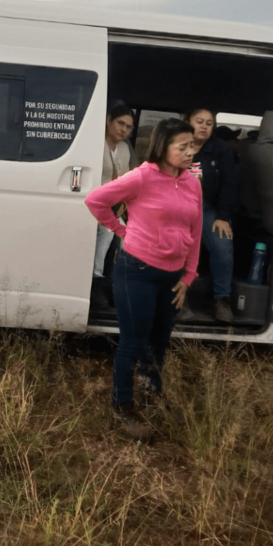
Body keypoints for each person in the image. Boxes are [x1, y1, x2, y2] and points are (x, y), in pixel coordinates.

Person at [84, 118, 203, 442]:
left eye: (192, 145)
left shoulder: (193, 182)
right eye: (183, 146)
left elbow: (196, 229)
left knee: (159, 341)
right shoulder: (142, 177)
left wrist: (189, 275)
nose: (190, 151)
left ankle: (152, 396)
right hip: (137, 272)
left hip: (173, 277)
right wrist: (122, 231)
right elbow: (95, 201)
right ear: (163, 147)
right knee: (133, 342)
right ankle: (122, 407)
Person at [185, 107, 238, 323]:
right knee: (177, 245)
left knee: (222, 242)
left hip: (207, 208)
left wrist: (223, 216)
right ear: (188, 122)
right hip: (176, 207)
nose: (204, 126)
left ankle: (222, 301)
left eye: (209, 123)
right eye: (199, 121)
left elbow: (229, 184)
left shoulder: (221, 149)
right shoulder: (176, 143)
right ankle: (178, 301)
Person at [91, 104, 140, 313]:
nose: (124, 130)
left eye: (129, 127)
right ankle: (95, 284)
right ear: (108, 121)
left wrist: (122, 203)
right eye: (120, 123)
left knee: (128, 236)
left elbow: (125, 182)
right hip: (93, 204)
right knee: (106, 233)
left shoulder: (124, 149)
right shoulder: (94, 144)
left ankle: (113, 284)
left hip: (114, 206)